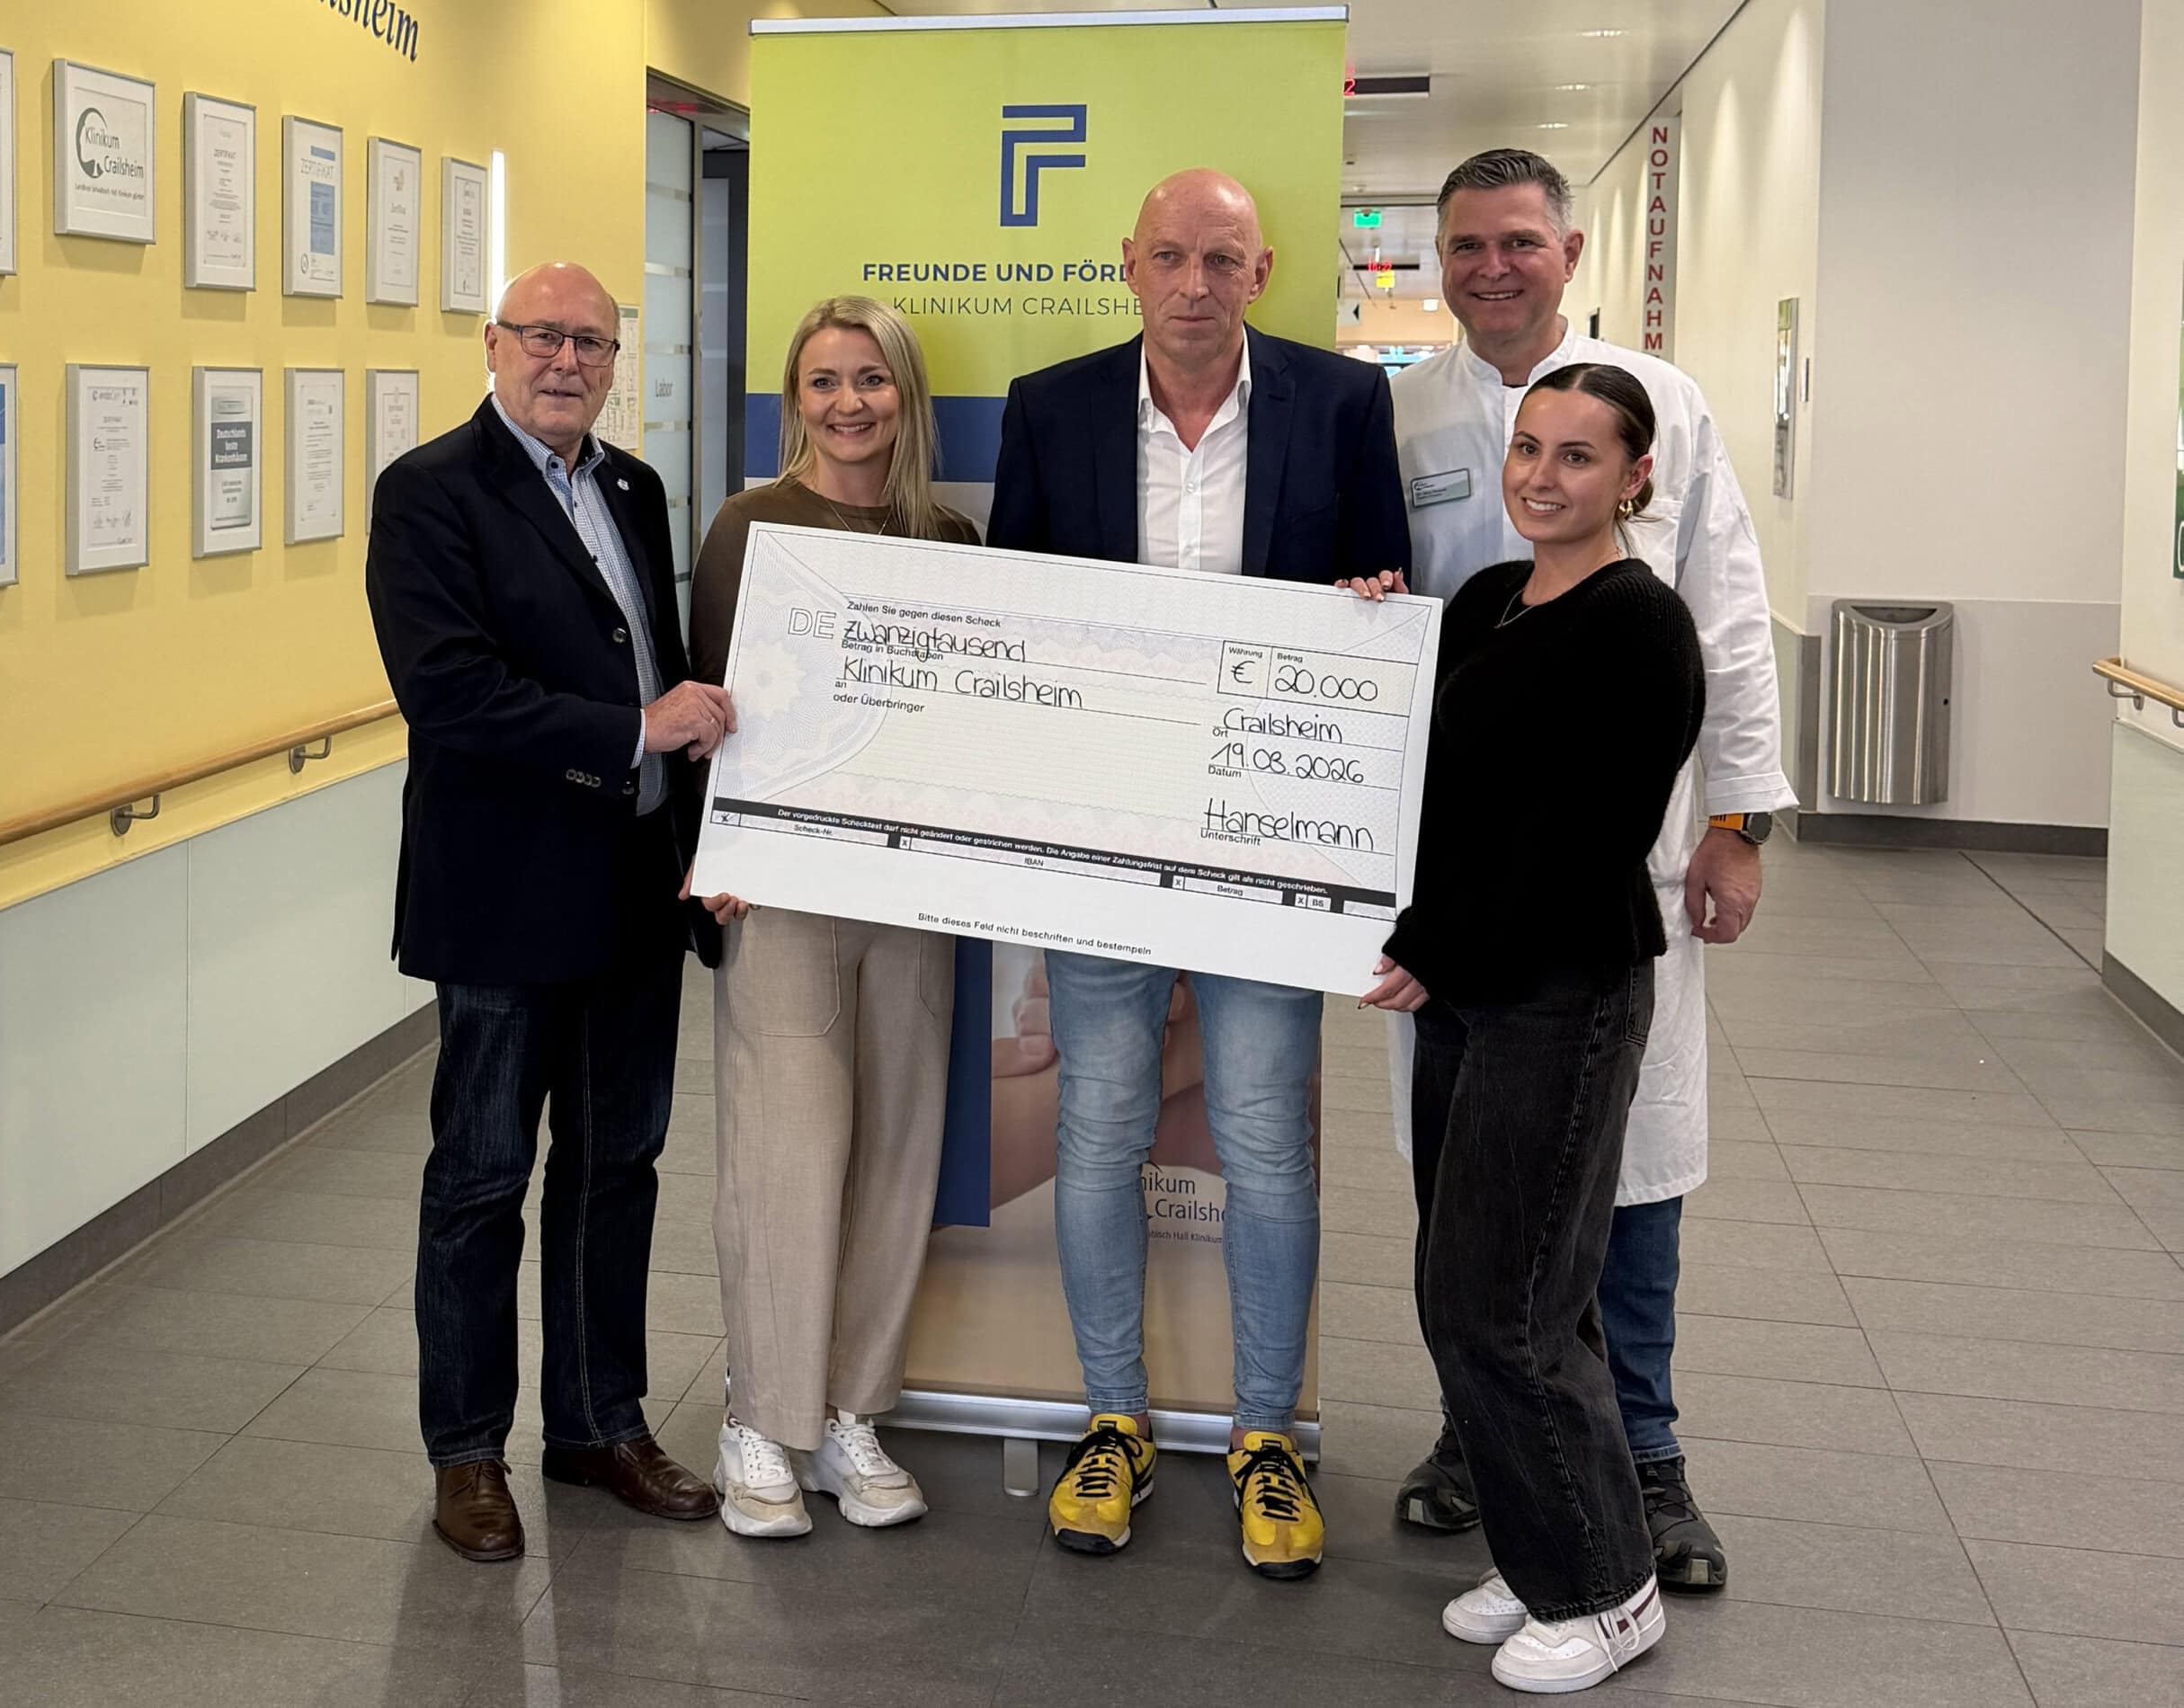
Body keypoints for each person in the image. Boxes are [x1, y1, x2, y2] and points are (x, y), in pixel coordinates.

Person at [1381, 147, 1796, 1592]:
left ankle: (1647, 1455)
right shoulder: (1404, 412)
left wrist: (1736, 823)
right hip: (1453, 872)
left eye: (1517, 242)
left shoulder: (1659, 401)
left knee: (1624, 1167)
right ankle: (1481, 1430)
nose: (1489, 267)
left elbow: (1726, 616)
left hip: (1610, 859)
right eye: (1464, 244)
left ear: (1566, 253)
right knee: (1467, 1176)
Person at [988, 167, 1409, 1579]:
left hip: (1261, 843)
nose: (1192, 283)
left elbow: (1382, 596)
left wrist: (1368, 609)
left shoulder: (1338, 406)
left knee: (1263, 1137)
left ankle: (1264, 1435)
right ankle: (1109, 1419)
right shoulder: (1051, 409)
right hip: (1102, 833)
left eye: (1220, 260)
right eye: (1168, 256)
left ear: (1260, 271)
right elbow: (1016, 624)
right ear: (1128, 264)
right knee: (1100, 1126)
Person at [365, 261, 734, 1562]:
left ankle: (597, 1425)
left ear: (615, 361)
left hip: (631, 890)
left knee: (615, 1170)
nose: (566, 360)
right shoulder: (428, 492)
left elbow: (664, 670)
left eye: (591, 342)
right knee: (480, 1180)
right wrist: (631, 732)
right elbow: (449, 691)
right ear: (492, 344)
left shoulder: (631, 486)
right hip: (503, 895)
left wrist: (702, 837)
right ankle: (467, 1452)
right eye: (542, 336)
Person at [1359, 361, 1706, 1693]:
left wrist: (1434, 948)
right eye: (1526, 450)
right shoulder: (1490, 601)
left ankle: (1606, 1594)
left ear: (1632, 477)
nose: (1540, 478)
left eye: (1576, 456)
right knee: (1482, 1289)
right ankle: (1540, 1540)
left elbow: (1581, 842)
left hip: (1560, 994)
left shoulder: (1640, 626)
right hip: (1471, 993)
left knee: (1502, 1305)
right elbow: (1429, 775)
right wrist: (1366, 630)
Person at [686, 297, 980, 1539]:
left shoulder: (950, 537)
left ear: (906, 395)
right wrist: (717, 854)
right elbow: (714, 707)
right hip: (785, 890)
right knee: (788, 1151)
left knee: (897, 1148)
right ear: (794, 398)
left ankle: (853, 1411)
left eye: (872, 379)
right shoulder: (747, 527)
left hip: (909, 891)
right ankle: (761, 1418)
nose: (849, 403)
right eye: (824, 381)